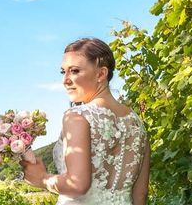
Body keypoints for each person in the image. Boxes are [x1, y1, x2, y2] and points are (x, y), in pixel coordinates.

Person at [21, 37, 150, 204]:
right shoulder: (137, 124)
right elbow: (141, 194)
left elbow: (78, 185)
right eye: (63, 71)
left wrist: (42, 178)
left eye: (74, 71)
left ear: (101, 74)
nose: (65, 80)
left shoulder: (77, 116)